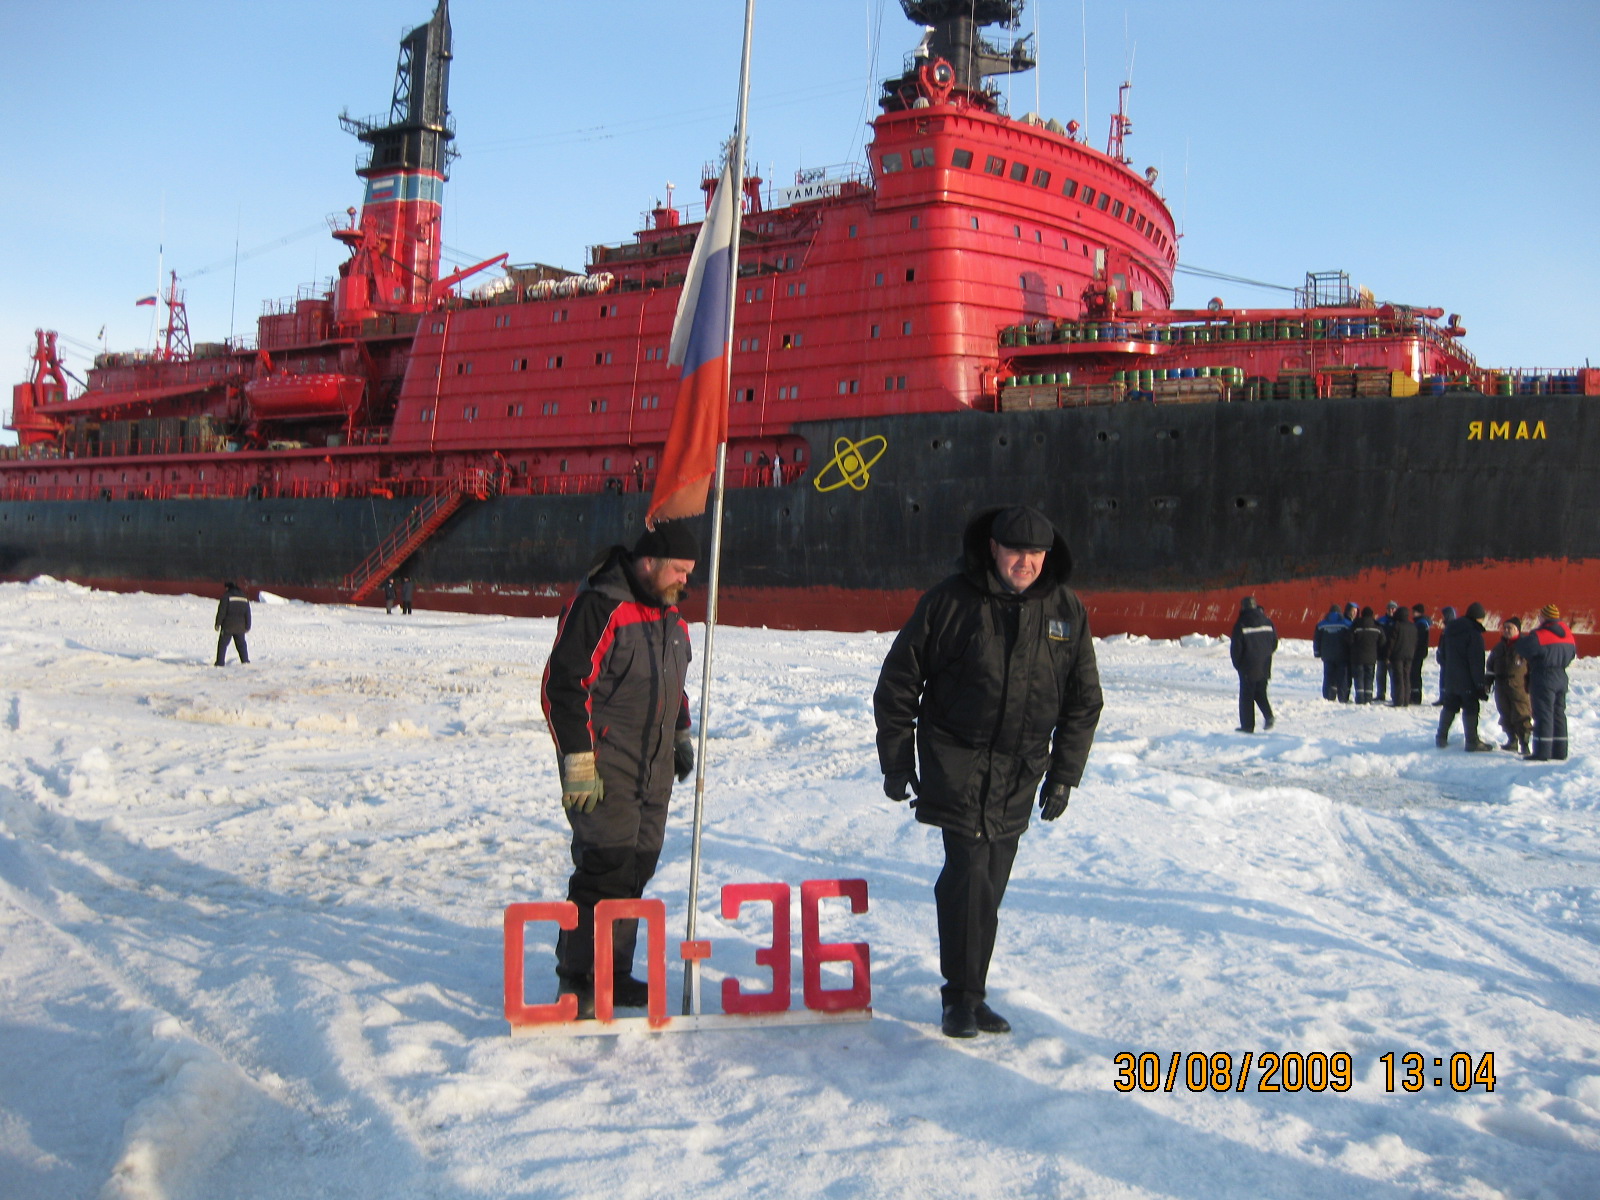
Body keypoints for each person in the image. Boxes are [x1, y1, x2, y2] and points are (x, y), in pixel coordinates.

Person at [874, 505, 1102, 1039]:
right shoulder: (950, 602)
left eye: (1036, 553)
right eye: (1016, 551)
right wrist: (897, 760)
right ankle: (960, 998)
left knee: (990, 884)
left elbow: (1083, 700)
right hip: (957, 761)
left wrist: (1064, 774)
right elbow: (899, 683)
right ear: (993, 549)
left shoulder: (1066, 609)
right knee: (970, 875)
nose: (1026, 562)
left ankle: (971, 992)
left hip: (1021, 771)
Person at [540, 521, 700, 1017]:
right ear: (648, 562)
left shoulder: (671, 618)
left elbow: (673, 684)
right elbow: (563, 686)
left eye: (689, 572)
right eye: (679, 570)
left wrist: (680, 733)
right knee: (604, 869)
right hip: (605, 765)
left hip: (654, 769)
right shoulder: (600, 607)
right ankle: (578, 981)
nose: (685, 582)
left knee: (638, 867)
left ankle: (613, 972)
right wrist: (577, 758)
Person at [1516, 604, 1578, 761]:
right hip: (1561, 676)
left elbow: (1523, 648)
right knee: (1558, 714)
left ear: (1544, 618)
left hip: (1543, 677)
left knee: (1543, 714)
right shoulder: (1567, 634)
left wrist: (1520, 638)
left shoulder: (1540, 635)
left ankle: (1541, 752)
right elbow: (1572, 654)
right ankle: (1560, 751)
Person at [1435, 603, 1493, 750]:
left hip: (1450, 678)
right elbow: (1476, 662)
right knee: (1471, 707)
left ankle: (1441, 737)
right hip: (1467, 681)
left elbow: (1442, 655)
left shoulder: (1450, 630)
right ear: (1479, 618)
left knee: (1450, 706)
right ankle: (1472, 741)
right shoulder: (1474, 634)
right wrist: (1480, 685)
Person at [1230, 596, 1278, 732]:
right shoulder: (1268, 622)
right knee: (1260, 692)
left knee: (1247, 697)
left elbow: (1236, 649)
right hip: (1265, 665)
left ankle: (1247, 726)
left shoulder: (1241, 624)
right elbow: (1274, 643)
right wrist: (1265, 654)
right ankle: (1269, 716)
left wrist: (1239, 665)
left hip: (1248, 666)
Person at [1488, 617, 1532, 755]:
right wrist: (1487, 682)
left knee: (1521, 715)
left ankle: (1524, 744)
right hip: (1501, 687)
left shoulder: (1525, 647)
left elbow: (1533, 667)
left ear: (1517, 630)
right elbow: (1490, 666)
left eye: (1510, 628)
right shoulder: (1498, 647)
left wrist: (1531, 684)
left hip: (1519, 687)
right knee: (1505, 714)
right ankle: (1512, 740)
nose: (1506, 630)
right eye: (1505, 627)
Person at [1313, 603, 1352, 702]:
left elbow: (1317, 640)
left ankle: (1328, 697)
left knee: (1328, 677)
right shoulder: (1346, 624)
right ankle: (1342, 698)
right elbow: (1350, 639)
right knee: (1342, 677)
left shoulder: (1321, 624)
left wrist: (1317, 653)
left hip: (1327, 656)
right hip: (1342, 656)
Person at [1348, 606, 1386, 704]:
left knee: (1359, 677)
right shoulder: (1377, 627)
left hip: (1358, 657)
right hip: (1371, 658)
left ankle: (1360, 698)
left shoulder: (1356, 626)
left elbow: (1350, 640)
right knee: (1369, 678)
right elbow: (1383, 642)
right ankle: (1368, 697)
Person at [214, 581, 252, 666]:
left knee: (222, 645)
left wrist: (217, 623)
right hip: (240, 627)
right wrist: (248, 626)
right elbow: (248, 613)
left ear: (228, 588)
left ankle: (220, 663)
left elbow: (222, 612)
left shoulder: (226, 596)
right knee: (241, 645)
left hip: (228, 626)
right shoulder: (244, 597)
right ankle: (245, 661)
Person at [1386, 605, 1417, 707]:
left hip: (1397, 655)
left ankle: (1399, 700)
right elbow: (1415, 641)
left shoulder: (1397, 625)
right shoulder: (1413, 626)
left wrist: (1387, 656)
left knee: (1398, 677)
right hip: (1409, 655)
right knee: (1406, 677)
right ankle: (1406, 700)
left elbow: (1391, 642)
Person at [1432, 605, 1457, 705]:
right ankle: (1443, 697)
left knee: (1447, 680)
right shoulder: (1447, 628)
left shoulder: (1452, 629)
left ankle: (1447, 698)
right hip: (1444, 659)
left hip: (1448, 660)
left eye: (1444, 616)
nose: (1442, 618)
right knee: (1443, 679)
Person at [1375, 601, 1398, 702]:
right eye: (1389, 609)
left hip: (1393, 653)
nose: (1391, 611)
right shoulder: (1381, 621)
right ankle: (1380, 694)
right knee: (1380, 675)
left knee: (1393, 675)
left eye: (1393, 609)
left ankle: (1394, 695)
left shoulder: (1398, 621)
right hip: (1381, 652)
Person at [1410, 604, 1432, 704]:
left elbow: (1418, 640)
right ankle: (1416, 695)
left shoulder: (1420, 624)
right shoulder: (1423, 623)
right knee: (1416, 674)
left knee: (1414, 674)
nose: (1412, 614)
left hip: (1418, 652)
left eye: (1414, 612)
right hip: (1420, 651)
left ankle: (1415, 696)